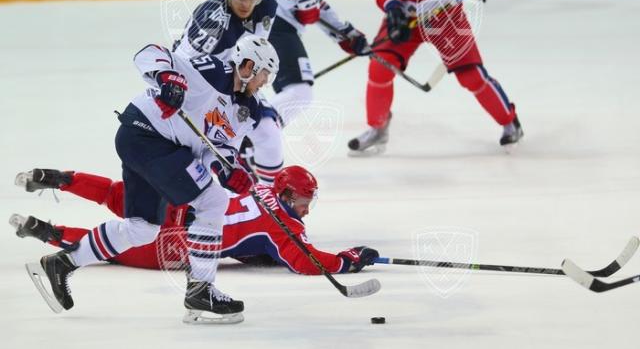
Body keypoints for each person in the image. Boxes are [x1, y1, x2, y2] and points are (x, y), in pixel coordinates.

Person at [24, 34, 279, 325]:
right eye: (263, 74)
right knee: (212, 201)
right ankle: (201, 290)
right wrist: (168, 77)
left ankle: (62, 263)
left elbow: (219, 149)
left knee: (142, 229)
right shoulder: (209, 71)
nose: (265, 82)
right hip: (144, 134)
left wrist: (227, 170)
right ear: (247, 66)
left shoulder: (248, 111)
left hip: (157, 147)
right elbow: (148, 53)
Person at [13, 166, 379, 275]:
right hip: (185, 244)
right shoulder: (285, 226)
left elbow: (246, 228)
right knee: (114, 249)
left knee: (114, 194)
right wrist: (349, 260)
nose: (305, 209)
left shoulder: (261, 190)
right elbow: (306, 262)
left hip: (182, 203)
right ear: (285, 196)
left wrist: (251, 253)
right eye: (301, 201)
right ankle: (46, 232)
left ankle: (59, 178)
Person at [348, 0, 523, 153]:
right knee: (380, 67)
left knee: (471, 76)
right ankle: (378, 128)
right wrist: (394, 9)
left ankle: (510, 122)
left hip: (446, 12)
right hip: (407, 18)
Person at [253, 0, 369, 173]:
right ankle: (254, 138)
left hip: (280, 27)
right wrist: (298, 3)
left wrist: (345, 34)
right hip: (274, 25)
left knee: (296, 93)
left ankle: (252, 138)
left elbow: (314, 2)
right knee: (298, 92)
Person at [172, 0, 283, 184]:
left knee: (269, 132)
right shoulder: (211, 21)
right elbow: (181, 64)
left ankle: (271, 196)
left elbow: (256, 47)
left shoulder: (267, 3)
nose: (246, 3)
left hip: (239, 75)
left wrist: (246, 84)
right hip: (204, 83)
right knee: (201, 153)